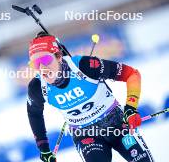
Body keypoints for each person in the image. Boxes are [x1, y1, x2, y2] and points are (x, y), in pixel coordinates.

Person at [26, 32, 154, 162]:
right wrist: (44, 148)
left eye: (46, 60)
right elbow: (34, 114)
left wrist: (130, 108)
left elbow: (131, 74)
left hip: (116, 124)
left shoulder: (84, 66)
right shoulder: (36, 87)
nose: (42, 68)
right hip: (85, 135)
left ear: (59, 56)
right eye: (35, 64)